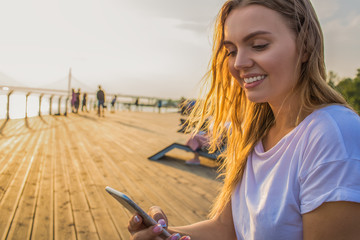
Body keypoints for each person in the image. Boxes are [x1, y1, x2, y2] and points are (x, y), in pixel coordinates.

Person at [127, 0, 360, 239]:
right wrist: (163, 234)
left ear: (306, 45)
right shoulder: (255, 134)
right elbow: (226, 229)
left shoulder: (333, 134)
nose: (239, 63)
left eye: (259, 45)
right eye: (231, 51)